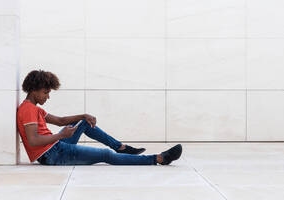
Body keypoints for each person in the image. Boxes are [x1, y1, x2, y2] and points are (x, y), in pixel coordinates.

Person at [16, 69, 182, 166]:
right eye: (46, 93)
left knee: (84, 123)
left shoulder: (33, 108)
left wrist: (83, 115)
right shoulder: (28, 110)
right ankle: (158, 159)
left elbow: (59, 120)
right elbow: (33, 141)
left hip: (55, 147)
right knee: (105, 155)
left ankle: (120, 147)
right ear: (34, 90)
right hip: (52, 154)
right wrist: (61, 135)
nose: (48, 97)